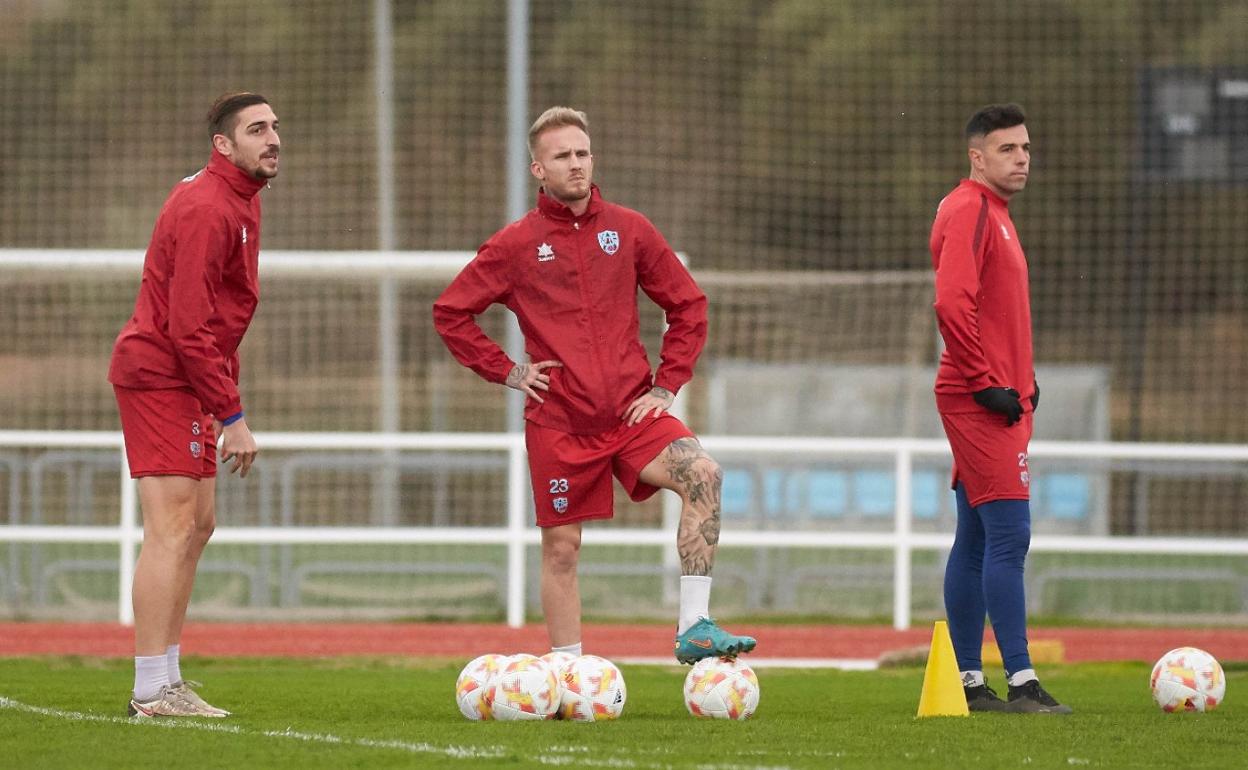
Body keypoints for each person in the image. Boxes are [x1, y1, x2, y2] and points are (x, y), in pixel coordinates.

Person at [433, 106, 756, 665]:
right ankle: (567, 670)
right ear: (538, 169)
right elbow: (451, 312)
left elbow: (688, 304)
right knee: (562, 550)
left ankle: (695, 626)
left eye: (582, 153)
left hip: (632, 415)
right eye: (562, 156)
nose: (576, 164)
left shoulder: (630, 229)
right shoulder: (514, 244)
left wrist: (666, 385)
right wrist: (508, 370)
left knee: (704, 473)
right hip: (560, 423)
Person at [108, 92, 279, 718]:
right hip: (161, 374)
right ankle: (150, 689)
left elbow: (216, 319)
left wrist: (224, 397)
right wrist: (232, 416)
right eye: (256, 129)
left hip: (190, 377)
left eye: (274, 127)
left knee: (199, 525)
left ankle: (169, 679)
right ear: (222, 145)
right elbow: (187, 327)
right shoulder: (209, 206)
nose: (272, 138)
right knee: (173, 528)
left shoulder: (239, 198)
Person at [930, 103, 1070, 714]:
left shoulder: (997, 214)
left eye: (1026, 148)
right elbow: (951, 303)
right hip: (977, 399)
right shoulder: (969, 208)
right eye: (1008, 149)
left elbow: (996, 310)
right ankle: (1021, 682)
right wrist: (985, 381)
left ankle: (969, 684)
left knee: (978, 537)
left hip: (1001, 396)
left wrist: (1022, 376)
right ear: (977, 156)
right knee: (1010, 535)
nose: (1022, 159)